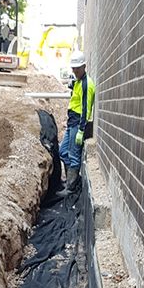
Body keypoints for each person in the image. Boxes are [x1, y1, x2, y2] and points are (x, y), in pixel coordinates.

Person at [58, 51, 95, 196]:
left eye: (77, 69)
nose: (75, 71)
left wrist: (81, 130)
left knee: (74, 156)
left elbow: (86, 108)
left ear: (84, 66)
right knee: (62, 151)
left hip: (78, 123)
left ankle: (71, 188)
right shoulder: (78, 81)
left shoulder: (87, 84)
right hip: (71, 121)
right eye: (73, 68)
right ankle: (70, 181)